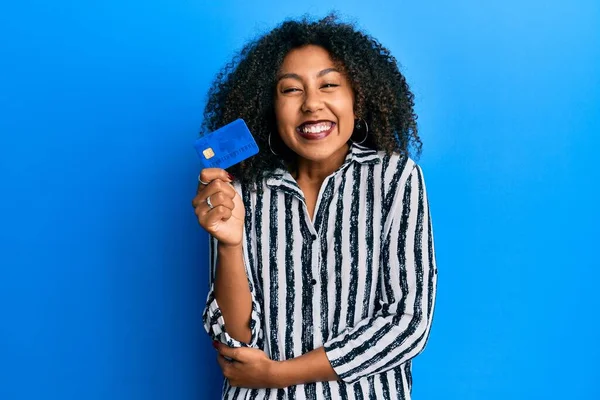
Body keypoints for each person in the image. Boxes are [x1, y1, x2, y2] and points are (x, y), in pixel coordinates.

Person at [191, 14, 438, 400]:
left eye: (329, 85)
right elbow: (236, 339)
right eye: (291, 90)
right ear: (269, 106)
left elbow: (406, 323)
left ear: (358, 96)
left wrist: (280, 375)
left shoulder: (395, 178)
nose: (311, 104)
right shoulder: (239, 188)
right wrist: (229, 243)